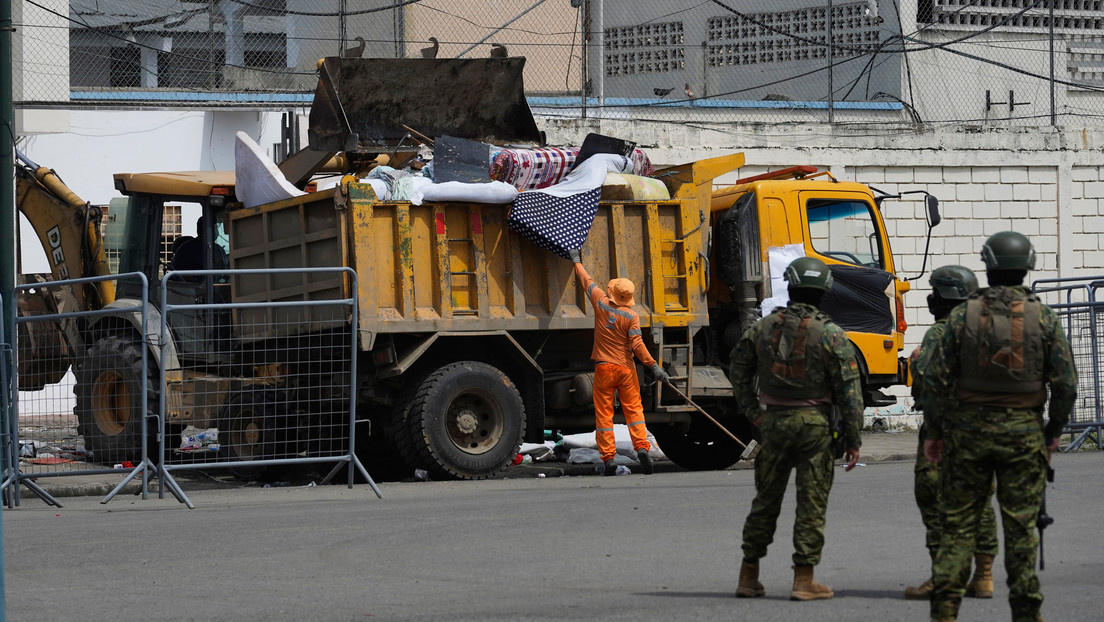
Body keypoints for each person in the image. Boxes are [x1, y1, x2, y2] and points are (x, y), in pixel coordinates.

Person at [921, 231, 1077, 622]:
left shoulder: (961, 316)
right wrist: (1053, 432)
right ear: (1028, 266)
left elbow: (936, 381)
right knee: (1022, 529)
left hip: (966, 436)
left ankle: (944, 613)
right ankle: (1026, 613)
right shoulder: (1043, 317)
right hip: (1024, 436)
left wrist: (936, 433)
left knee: (957, 526)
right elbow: (1066, 384)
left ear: (987, 265)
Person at [728, 256, 862, 601]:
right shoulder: (831, 334)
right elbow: (850, 391)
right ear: (825, 291)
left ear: (790, 286)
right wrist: (854, 438)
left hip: (773, 423)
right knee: (811, 503)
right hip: (816, 427)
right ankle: (804, 580)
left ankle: (749, 576)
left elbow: (738, 369)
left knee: (766, 500)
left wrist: (754, 414)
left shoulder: (764, 327)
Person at [905, 265, 999, 600]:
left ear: (945, 296)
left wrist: (916, 363)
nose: (929, 298)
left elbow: (930, 382)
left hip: (945, 430)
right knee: (980, 500)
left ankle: (944, 578)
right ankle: (984, 576)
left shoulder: (940, 332)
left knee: (933, 498)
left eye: (933, 291)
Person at [570, 249, 668, 476]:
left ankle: (609, 458)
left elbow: (587, 282)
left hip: (604, 368)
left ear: (612, 292)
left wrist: (576, 261)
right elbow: (637, 344)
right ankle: (642, 447)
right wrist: (653, 366)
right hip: (626, 369)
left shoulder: (601, 303)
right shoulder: (632, 317)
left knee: (604, 415)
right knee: (634, 411)